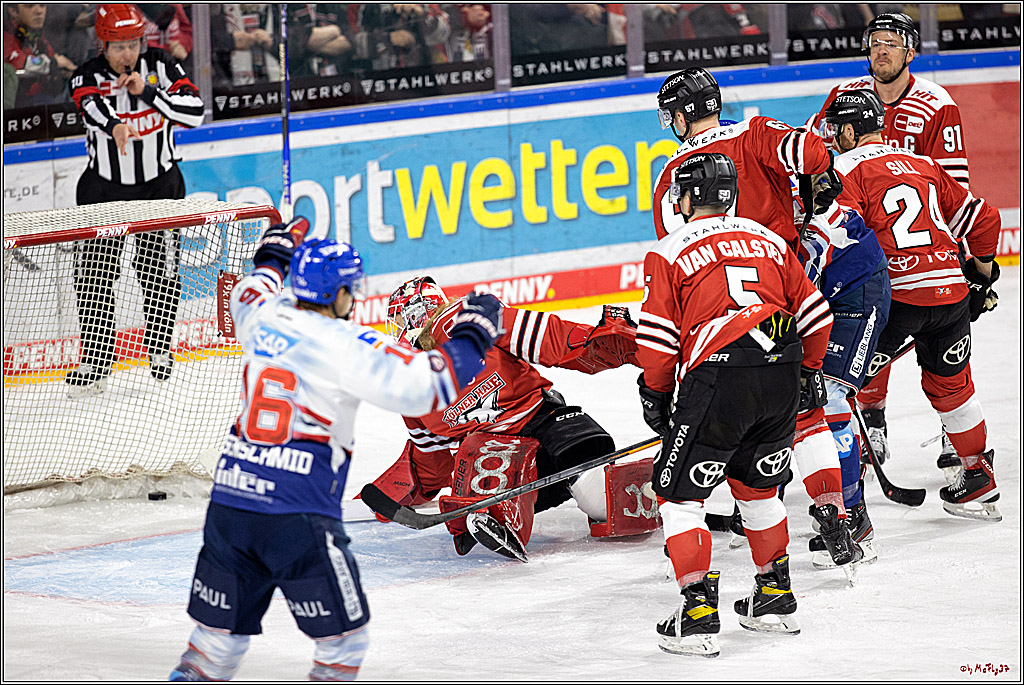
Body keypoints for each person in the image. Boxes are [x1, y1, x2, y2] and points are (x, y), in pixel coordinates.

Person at [168, 217, 504, 681]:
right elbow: (430, 386)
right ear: (338, 295)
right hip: (297, 515)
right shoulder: (348, 344)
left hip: (231, 506)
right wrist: (473, 332)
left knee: (213, 644)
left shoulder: (260, 316)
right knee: (344, 643)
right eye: (350, 288)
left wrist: (274, 254)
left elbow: (252, 286)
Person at [637, 153, 833, 656]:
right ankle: (774, 596)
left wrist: (657, 394)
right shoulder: (767, 238)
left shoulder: (669, 250)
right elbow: (816, 312)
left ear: (686, 198)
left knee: (680, 495)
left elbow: (658, 341)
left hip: (720, 377)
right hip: (782, 365)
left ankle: (698, 612)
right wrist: (807, 373)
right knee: (759, 489)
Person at [653, 67, 854, 556]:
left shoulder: (670, 177)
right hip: (783, 285)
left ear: (682, 115)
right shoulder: (756, 132)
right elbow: (814, 154)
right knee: (802, 407)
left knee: (728, 410)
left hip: (718, 316)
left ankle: (743, 508)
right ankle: (834, 507)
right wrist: (818, 179)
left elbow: (676, 258)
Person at [821, 89, 1002, 522]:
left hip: (892, 301)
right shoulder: (923, 164)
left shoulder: (843, 170)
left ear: (848, 131)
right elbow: (984, 219)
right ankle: (977, 476)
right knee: (953, 388)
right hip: (950, 294)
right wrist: (980, 276)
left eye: (835, 131)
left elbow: (837, 235)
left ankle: (845, 493)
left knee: (835, 387)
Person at [807, 13, 975, 467]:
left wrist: (958, 263)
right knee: (866, 338)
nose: (881, 50)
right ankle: (873, 426)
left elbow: (953, 187)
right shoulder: (843, 98)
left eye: (891, 42)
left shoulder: (936, 103)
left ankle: (950, 433)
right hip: (869, 253)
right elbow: (813, 153)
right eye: (875, 42)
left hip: (922, 250)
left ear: (910, 50)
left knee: (943, 351)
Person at [375, 276, 642, 562]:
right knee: (480, 457)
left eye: (400, 322)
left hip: (544, 420)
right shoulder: (410, 385)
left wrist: (595, 341)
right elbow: (430, 463)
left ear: (414, 316)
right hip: (499, 457)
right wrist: (391, 497)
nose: (399, 332)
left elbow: (542, 337)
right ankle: (496, 513)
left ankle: (662, 488)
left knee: (601, 501)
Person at [64, 4, 204, 396]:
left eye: (134, 44)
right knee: (94, 275)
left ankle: (160, 350)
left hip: (159, 184)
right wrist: (116, 126)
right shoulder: (87, 73)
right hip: (104, 187)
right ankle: (96, 360)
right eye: (119, 46)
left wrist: (150, 94)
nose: (128, 54)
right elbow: (89, 105)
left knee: (158, 269)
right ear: (103, 45)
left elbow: (195, 113)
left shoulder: (161, 65)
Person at [3, 3, 77, 107]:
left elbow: (51, 57)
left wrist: (62, 71)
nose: (39, 11)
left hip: (39, 100)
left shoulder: (37, 35)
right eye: (29, 6)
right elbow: (18, 62)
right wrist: (54, 63)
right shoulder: (6, 35)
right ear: (13, 11)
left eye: (42, 5)